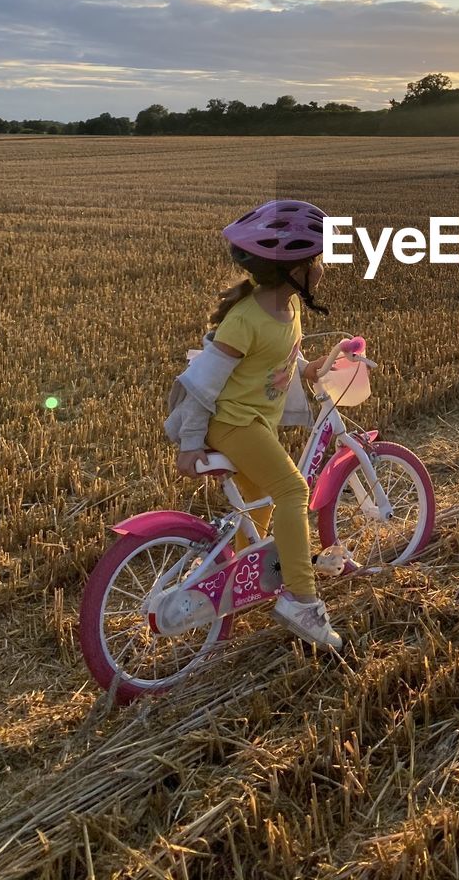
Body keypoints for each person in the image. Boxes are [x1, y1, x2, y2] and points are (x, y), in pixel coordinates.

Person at [171, 199, 343, 652]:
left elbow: (281, 353)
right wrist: (189, 444)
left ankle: (218, 584)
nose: (321, 269)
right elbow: (201, 386)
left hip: (252, 422)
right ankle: (302, 600)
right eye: (315, 262)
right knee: (293, 491)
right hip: (231, 423)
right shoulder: (243, 320)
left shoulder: (286, 307)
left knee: (257, 511)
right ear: (293, 270)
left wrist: (306, 368)